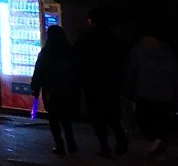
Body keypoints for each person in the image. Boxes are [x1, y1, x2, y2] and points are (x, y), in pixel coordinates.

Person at [74, 9, 129, 157]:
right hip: (111, 82)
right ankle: (120, 138)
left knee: (96, 116)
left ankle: (105, 146)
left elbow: (78, 60)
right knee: (112, 113)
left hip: (91, 82)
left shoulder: (85, 38)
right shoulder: (113, 37)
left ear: (91, 20)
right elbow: (122, 59)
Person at [125, 34, 178, 159]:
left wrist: (129, 88)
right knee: (162, 121)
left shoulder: (138, 51)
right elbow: (175, 75)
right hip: (166, 93)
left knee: (145, 120)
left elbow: (132, 70)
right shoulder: (168, 53)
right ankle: (159, 142)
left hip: (144, 91)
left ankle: (156, 142)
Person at [30, 24, 81, 155]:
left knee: (53, 118)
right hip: (67, 88)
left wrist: (35, 87)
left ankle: (59, 145)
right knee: (66, 116)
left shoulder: (46, 52)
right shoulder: (70, 50)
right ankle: (71, 141)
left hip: (51, 89)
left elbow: (39, 71)